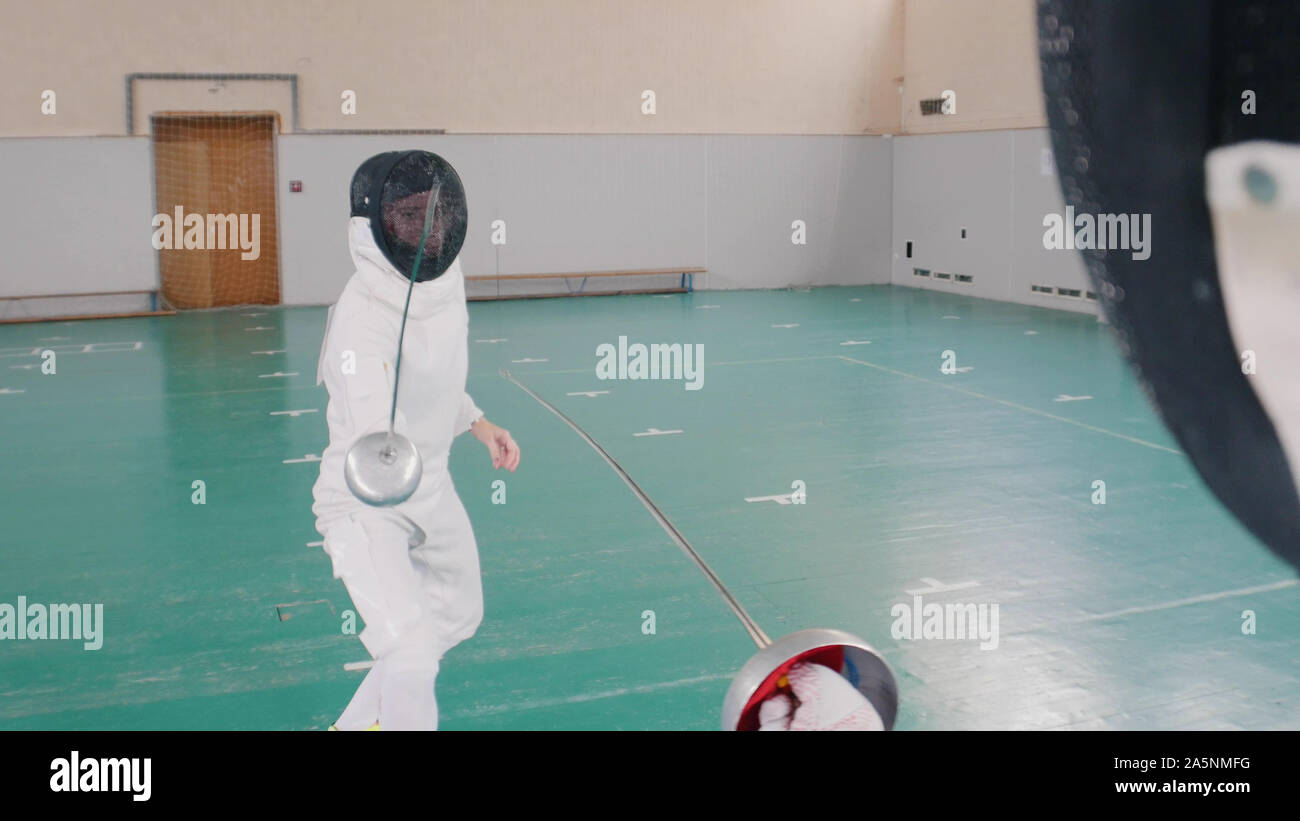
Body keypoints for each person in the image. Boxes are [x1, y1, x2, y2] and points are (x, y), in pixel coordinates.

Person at [311, 150, 520, 730]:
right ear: (376, 225)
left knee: (456, 612)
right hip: (365, 498)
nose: (426, 228)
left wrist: (478, 423)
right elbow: (371, 425)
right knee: (408, 648)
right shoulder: (362, 317)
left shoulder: (445, 282)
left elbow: (438, 375)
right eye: (407, 215)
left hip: (429, 481)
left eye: (433, 212)